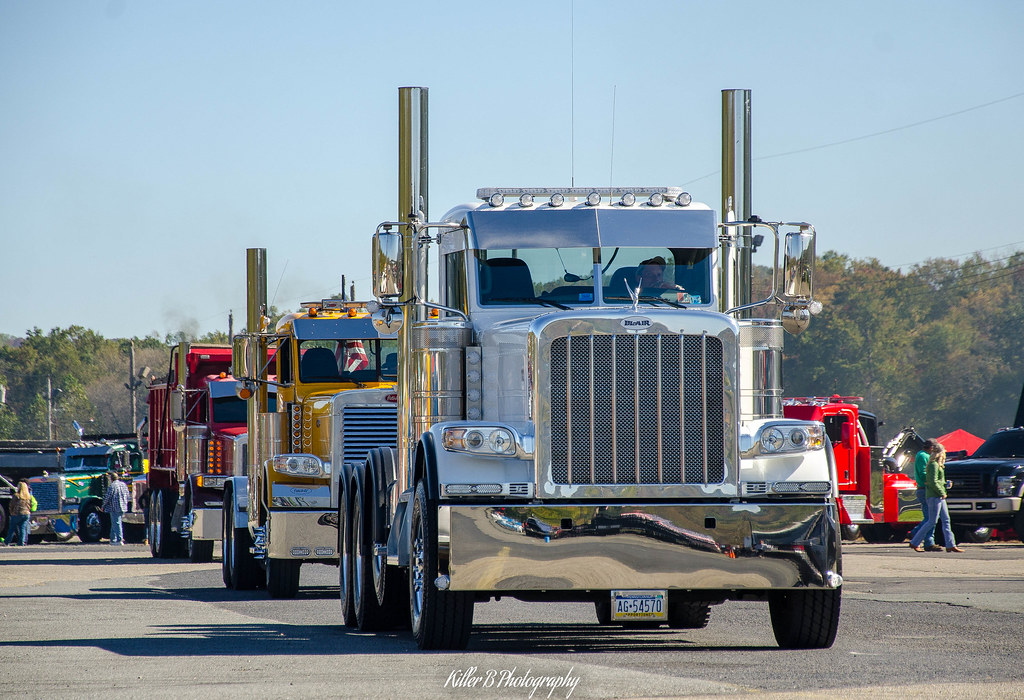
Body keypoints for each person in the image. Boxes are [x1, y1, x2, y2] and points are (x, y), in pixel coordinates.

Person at [909, 443, 963, 552]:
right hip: (934, 495)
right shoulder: (933, 465)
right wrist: (941, 491)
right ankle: (915, 542)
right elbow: (932, 481)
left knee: (946, 520)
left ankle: (950, 544)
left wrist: (945, 484)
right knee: (931, 521)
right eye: (944, 453)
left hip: (939, 494)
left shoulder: (937, 465)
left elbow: (937, 480)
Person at [908, 439, 942, 552]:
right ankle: (918, 535)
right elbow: (923, 473)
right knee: (930, 518)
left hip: (923, 488)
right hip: (925, 489)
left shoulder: (921, 455)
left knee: (930, 517)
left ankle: (927, 541)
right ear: (931, 447)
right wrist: (931, 481)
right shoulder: (923, 456)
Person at [102, 471, 131, 546]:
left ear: (111, 479)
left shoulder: (112, 486)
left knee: (117, 523)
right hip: (123, 507)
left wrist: (103, 506)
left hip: (114, 507)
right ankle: (113, 539)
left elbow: (107, 497)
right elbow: (128, 495)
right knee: (115, 523)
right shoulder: (123, 485)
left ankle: (119, 539)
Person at [8, 481, 35, 546]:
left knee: (12, 528)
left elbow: (12, 505)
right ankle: (22, 542)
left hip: (17, 513)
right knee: (23, 528)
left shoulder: (16, 495)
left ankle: (7, 541)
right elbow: (31, 504)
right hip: (26, 514)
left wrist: (11, 512)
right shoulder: (28, 496)